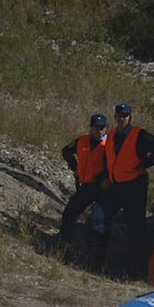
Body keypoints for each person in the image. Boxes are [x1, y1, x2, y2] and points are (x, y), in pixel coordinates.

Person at [103, 103, 154, 281]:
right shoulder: (112, 135)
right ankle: (100, 262)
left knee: (136, 228)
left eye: (126, 115)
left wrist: (143, 165)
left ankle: (134, 272)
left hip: (134, 186)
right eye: (120, 115)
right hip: (116, 186)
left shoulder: (140, 135)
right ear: (115, 117)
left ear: (130, 117)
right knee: (100, 219)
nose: (122, 118)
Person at [59, 114, 108, 271]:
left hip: (102, 188)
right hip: (86, 186)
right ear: (91, 127)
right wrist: (75, 168)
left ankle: (95, 263)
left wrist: (106, 179)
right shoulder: (82, 141)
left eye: (101, 128)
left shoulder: (109, 145)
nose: (98, 131)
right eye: (95, 127)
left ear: (105, 128)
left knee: (97, 222)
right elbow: (66, 151)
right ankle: (63, 252)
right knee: (68, 214)